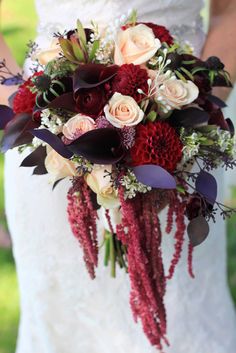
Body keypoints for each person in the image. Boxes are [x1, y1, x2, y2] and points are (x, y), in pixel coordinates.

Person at [1, 1, 236, 352]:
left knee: (184, 314)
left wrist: (191, 115)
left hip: (183, 148)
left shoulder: (186, 132)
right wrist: (29, 110)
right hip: (50, 144)